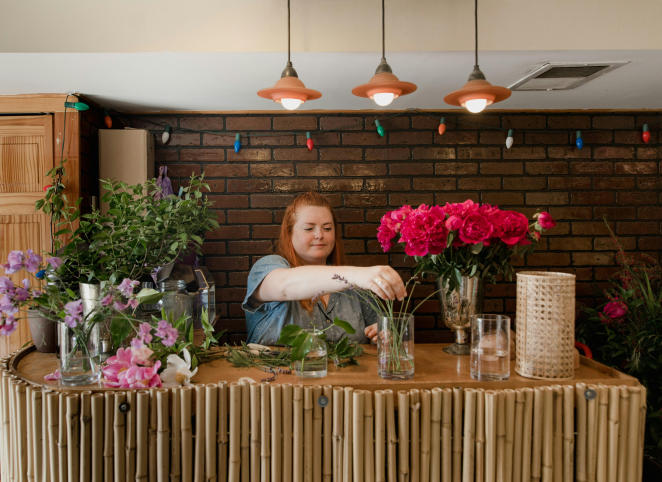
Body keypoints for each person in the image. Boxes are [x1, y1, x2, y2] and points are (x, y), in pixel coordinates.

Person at [243, 192, 406, 345]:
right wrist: (357, 275)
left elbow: (382, 332)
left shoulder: (356, 286)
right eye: (309, 228)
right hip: (275, 374)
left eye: (327, 228)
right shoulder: (267, 267)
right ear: (289, 233)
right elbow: (284, 286)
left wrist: (384, 335)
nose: (319, 235)